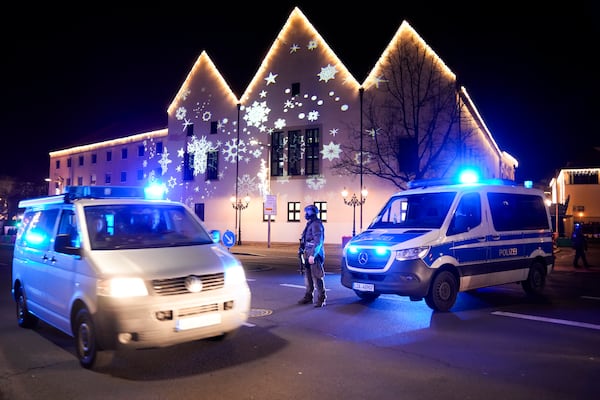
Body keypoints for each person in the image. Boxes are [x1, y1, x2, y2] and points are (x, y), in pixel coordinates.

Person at [297, 204, 326, 307]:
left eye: (308, 212)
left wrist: (313, 255)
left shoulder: (316, 225)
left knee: (317, 276)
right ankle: (308, 297)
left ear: (313, 213)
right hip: (307, 253)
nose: (306, 214)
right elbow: (306, 239)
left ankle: (321, 298)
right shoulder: (310, 224)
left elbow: (318, 241)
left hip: (314, 255)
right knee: (308, 276)